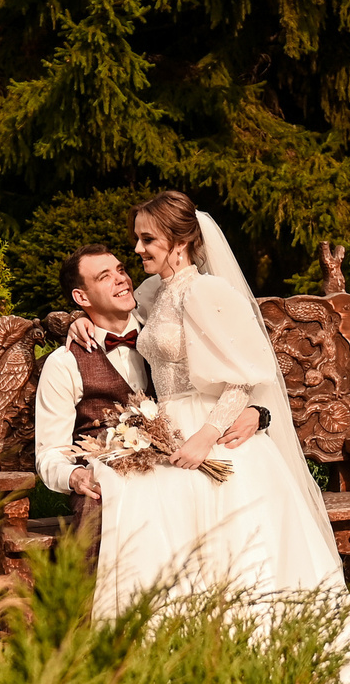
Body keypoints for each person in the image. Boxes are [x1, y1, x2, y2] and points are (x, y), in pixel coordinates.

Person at [78, 191, 350, 684]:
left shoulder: (206, 292)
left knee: (236, 556)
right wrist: (73, 319)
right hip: (169, 432)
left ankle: (254, 661)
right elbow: (121, 322)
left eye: (147, 239)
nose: (138, 249)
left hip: (214, 436)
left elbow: (243, 377)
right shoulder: (154, 292)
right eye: (137, 239)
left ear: (180, 241)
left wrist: (207, 437)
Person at [32, 245, 263, 615]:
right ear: (81, 297)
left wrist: (258, 412)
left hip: (181, 460)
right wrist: (74, 476)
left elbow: (230, 377)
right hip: (113, 474)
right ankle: (91, 623)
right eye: (104, 277)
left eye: (121, 269)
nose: (121, 279)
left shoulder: (167, 336)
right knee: (102, 504)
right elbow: (49, 454)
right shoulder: (64, 364)